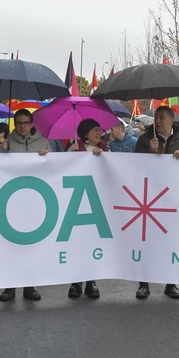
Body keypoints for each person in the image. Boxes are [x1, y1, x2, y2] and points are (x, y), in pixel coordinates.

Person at [134, 105, 179, 300]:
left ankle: (171, 283)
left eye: (161, 118)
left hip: (174, 197)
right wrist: (148, 151)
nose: (157, 121)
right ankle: (144, 283)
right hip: (150, 197)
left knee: (172, 240)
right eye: (156, 118)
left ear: (171, 120)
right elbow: (133, 165)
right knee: (147, 240)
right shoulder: (145, 139)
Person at [0, 108, 47, 302]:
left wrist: (46, 157)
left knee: (31, 245)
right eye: (18, 123)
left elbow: (53, 168)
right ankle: (9, 287)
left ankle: (29, 285)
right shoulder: (6, 143)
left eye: (26, 122)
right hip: (11, 201)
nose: (22, 126)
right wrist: (0, 153)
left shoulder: (43, 143)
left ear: (32, 123)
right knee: (10, 245)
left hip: (35, 200)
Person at [66, 118, 107, 299]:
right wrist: (70, 154)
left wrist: (104, 158)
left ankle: (92, 281)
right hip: (76, 202)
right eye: (96, 130)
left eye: (100, 130)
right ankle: (76, 281)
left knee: (93, 242)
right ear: (86, 134)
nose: (100, 133)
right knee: (77, 242)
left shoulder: (106, 149)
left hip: (98, 202)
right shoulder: (75, 148)